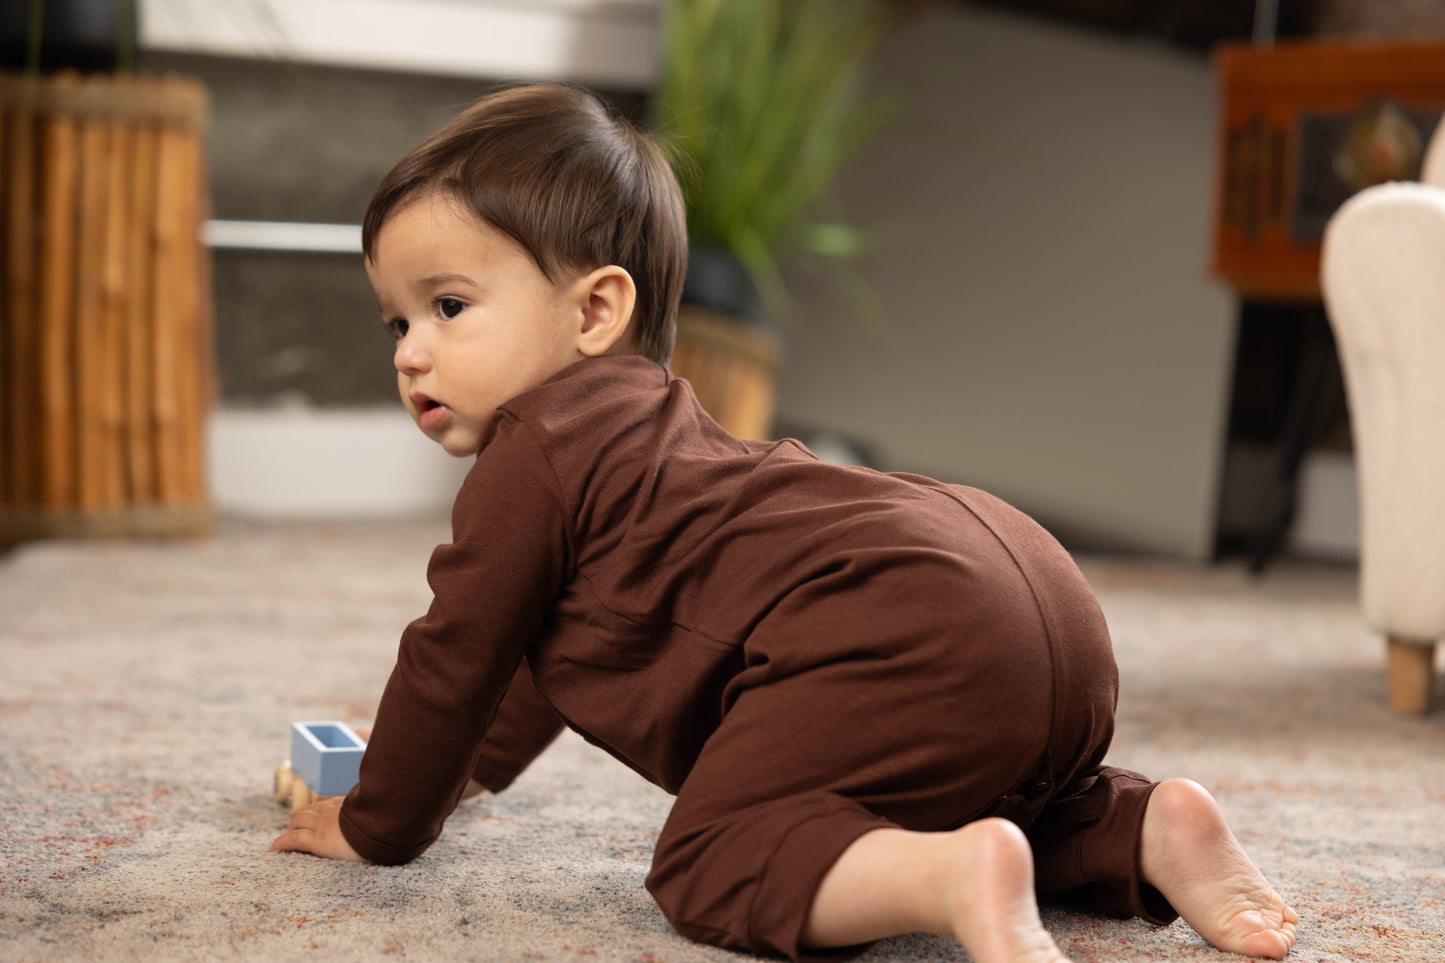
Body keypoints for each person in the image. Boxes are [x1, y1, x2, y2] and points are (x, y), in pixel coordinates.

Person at [269, 83, 1298, 963]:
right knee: (945, 773)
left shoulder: (532, 453)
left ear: (594, 312)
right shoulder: (654, 445)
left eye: (447, 307)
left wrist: (381, 822)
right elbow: (529, 659)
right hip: (1028, 585)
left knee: (712, 858)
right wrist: (465, 776)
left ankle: (948, 878)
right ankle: (1141, 828)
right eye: (395, 320)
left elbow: (457, 648)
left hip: (895, 618)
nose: (409, 351)